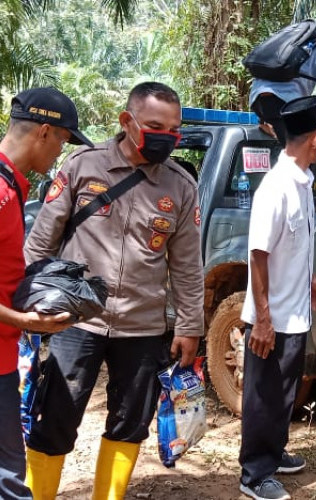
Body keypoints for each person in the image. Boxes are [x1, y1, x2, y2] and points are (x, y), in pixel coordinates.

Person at [23, 82, 204, 499]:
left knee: (129, 423)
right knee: (55, 418)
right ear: (127, 121)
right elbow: (40, 243)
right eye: (156, 126)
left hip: (142, 327)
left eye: (174, 130)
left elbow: (187, 266)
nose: (167, 137)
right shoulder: (83, 166)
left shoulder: (180, 184)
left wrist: (190, 325)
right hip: (75, 322)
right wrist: (24, 311)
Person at [0, 87, 91, 500]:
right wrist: (24, 321)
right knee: (9, 478)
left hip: (4, 357)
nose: (60, 153)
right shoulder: (1, 193)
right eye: (62, 141)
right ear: (42, 132)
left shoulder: (12, 186)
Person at [238, 96, 316, 500]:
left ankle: (273, 453)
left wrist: (310, 279)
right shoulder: (275, 187)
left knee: (283, 393)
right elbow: (258, 254)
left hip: (295, 313)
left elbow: (293, 243)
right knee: (263, 396)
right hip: (271, 317)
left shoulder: (303, 182)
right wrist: (262, 318)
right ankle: (254, 475)